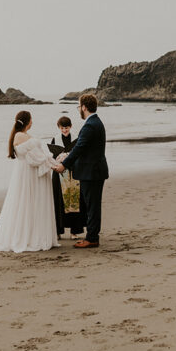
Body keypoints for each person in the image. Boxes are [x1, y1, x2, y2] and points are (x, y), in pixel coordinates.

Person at [0, 110, 60, 253]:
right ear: (27, 121)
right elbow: (36, 157)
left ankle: (34, 235)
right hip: (28, 174)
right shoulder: (20, 135)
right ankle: (30, 237)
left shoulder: (22, 135)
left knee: (29, 204)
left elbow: (38, 155)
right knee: (27, 203)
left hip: (27, 172)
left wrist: (53, 162)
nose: (32, 122)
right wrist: (53, 165)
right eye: (31, 119)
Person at [54, 93, 108, 248]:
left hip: (92, 172)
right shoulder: (95, 122)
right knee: (93, 205)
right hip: (94, 170)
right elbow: (82, 149)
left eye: (79, 106)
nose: (79, 109)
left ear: (84, 107)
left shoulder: (90, 125)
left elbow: (79, 148)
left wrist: (64, 165)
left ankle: (92, 238)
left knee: (92, 206)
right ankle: (92, 236)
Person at [49, 116, 80, 239]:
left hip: (74, 173)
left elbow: (79, 154)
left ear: (70, 127)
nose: (64, 130)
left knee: (75, 201)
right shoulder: (55, 139)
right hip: (59, 173)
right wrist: (58, 158)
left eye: (66, 128)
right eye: (62, 128)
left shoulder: (76, 138)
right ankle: (58, 231)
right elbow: (50, 156)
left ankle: (74, 231)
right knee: (58, 201)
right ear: (59, 127)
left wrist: (68, 156)